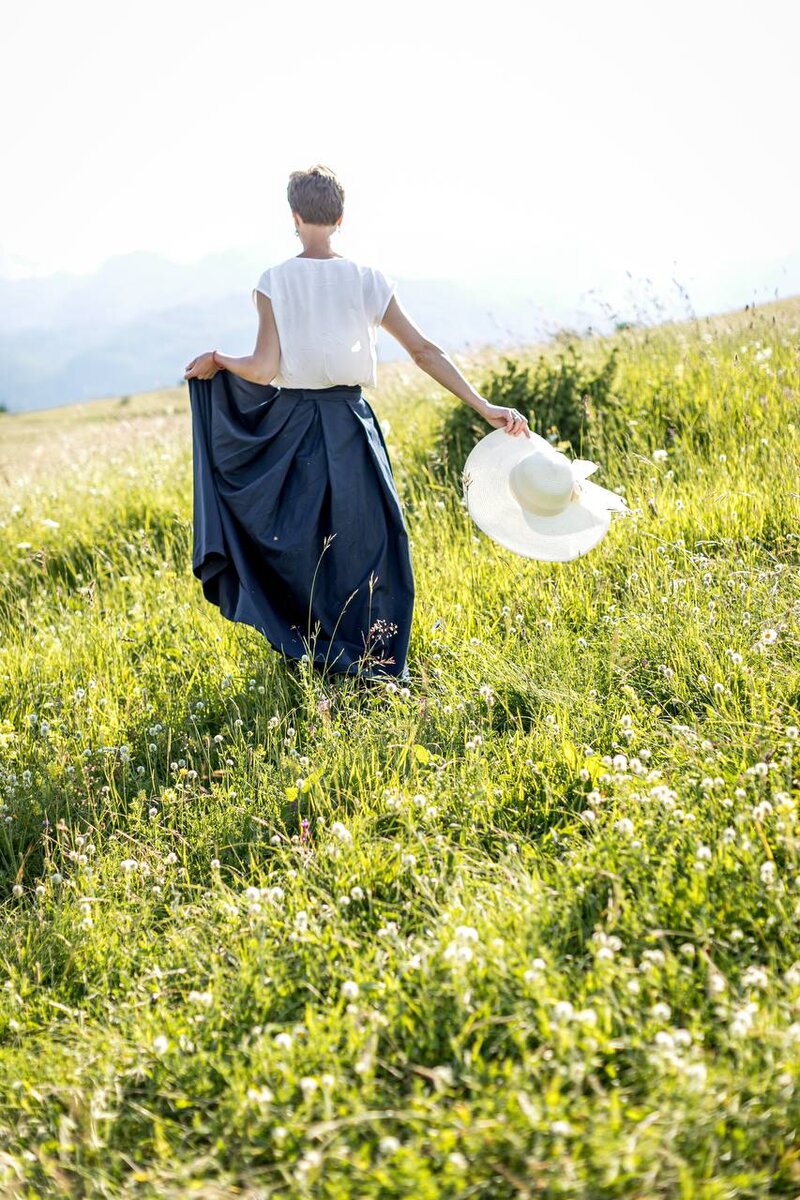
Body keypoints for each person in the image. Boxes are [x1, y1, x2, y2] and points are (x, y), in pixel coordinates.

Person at [184, 164, 531, 686]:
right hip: (351, 423)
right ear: (341, 218)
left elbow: (260, 368)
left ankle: (315, 649)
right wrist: (484, 406)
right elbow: (423, 351)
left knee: (301, 541)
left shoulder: (273, 281)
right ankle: (375, 657)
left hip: (291, 426)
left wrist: (217, 358)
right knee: (372, 539)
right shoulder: (370, 281)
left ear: (294, 218)